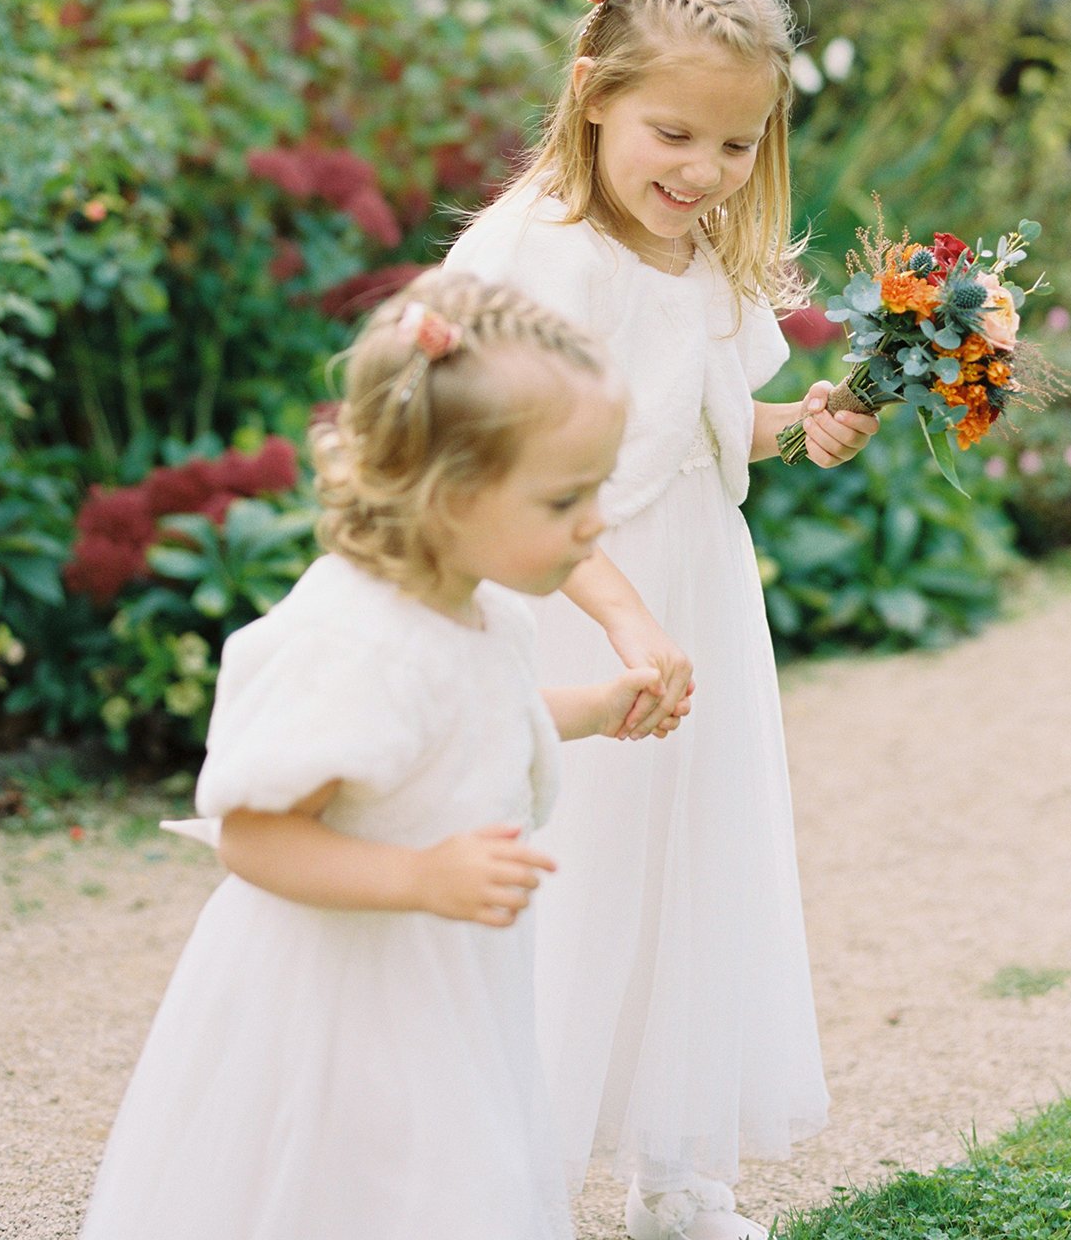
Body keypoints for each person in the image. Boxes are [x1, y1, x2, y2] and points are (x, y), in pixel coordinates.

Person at [79, 270, 684, 1240]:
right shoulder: (351, 638)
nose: (594, 522)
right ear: (441, 495)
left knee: (446, 1180)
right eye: (565, 496)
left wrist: (596, 707)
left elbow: (472, 719)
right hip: (344, 985)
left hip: (438, 973)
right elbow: (254, 833)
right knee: (353, 1189)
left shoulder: (477, 605)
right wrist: (418, 873)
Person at [447, 0, 879, 1240]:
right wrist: (623, 615)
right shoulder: (542, 256)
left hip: (693, 591)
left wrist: (799, 418)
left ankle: (676, 1175)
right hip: (566, 604)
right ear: (593, 96)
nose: (703, 172)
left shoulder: (698, 261)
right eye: (674, 133)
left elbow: (699, 425)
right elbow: (511, 478)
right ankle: (507, 1182)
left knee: (688, 867)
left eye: (739, 147)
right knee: (565, 877)